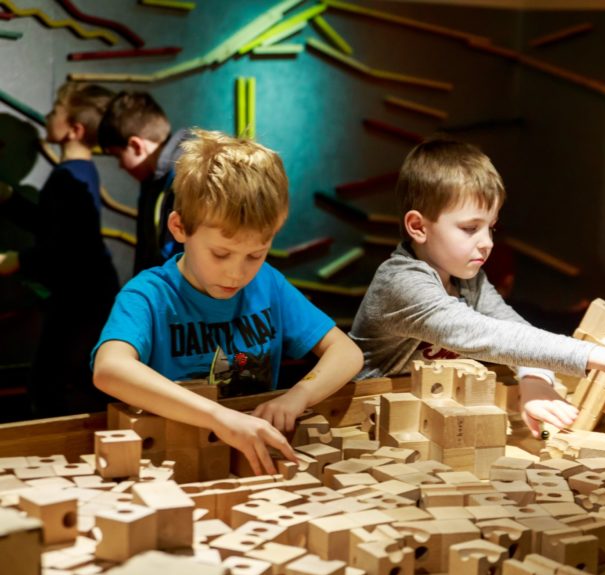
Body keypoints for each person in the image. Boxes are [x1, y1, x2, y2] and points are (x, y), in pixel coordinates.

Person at [350, 138, 605, 437]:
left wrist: (534, 381)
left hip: (420, 419)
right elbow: (483, 335)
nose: (487, 244)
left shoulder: (468, 278)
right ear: (418, 226)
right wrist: (599, 356)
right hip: (361, 421)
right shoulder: (402, 282)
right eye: (470, 228)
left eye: (491, 228)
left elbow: (513, 330)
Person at [92, 129, 364, 474]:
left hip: (251, 463)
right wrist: (219, 417)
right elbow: (109, 370)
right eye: (221, 253)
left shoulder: (269, 284)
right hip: (173, 464)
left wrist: (299, 396)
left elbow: (347, 351)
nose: (237, 273)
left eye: (256, 254)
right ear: (179, 228)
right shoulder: (148, 295)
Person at [0, 82, 119, 416]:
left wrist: (15, 261)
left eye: (55, 112)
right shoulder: (80, 173)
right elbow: (55, 226)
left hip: (80, 300)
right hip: (86, 296)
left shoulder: (68, 179)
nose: (47, 116)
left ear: (74, 129)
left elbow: (65, 249)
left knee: (51, 385)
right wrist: (10, 198)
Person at [98, 91, 186, 275]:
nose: (121, 166)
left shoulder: (186, 176)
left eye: (118, 156)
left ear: (136, 145)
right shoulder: (153, 180)